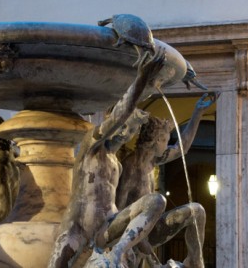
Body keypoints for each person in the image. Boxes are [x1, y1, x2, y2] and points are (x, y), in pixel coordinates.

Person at [48, 48, 169, 268]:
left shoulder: (117, 163)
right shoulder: (91, 146)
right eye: (124, 127)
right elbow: (119, 114)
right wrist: (141, 79)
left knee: (156, 201)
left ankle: (120, 250)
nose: (125, 133)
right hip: (78, 227)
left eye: (131, 130)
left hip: (107, 226)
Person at [115, 93, 217, 268]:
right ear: (154, 141)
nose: (167, 145)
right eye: (164, 141)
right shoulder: (131, 168)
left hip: (152, 229)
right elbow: (118, 213)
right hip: (132, 235)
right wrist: (137, 241)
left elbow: (182, 147)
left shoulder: (153, 160)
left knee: (196, 211)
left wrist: (197, 113)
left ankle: (194, 262)